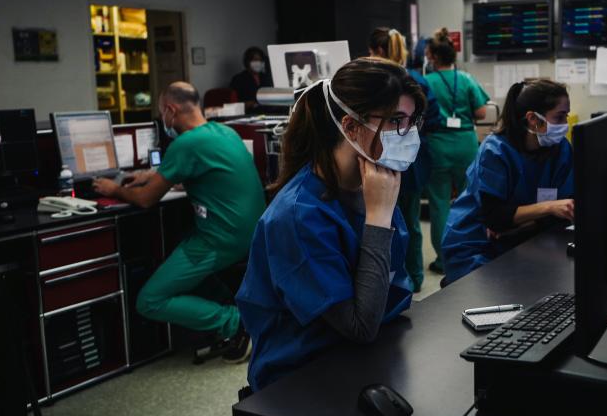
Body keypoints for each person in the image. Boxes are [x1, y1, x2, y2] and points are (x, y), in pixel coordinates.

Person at [235, 58, 426, 391]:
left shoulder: (375, 181)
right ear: (350, 127)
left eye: (411, 122)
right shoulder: (299, 215)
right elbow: (359, 326)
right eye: (395, 121)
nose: (407, 134)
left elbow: (392, 288)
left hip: (367, 355)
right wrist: (379, 218)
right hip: (304, 377)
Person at [93, 82, 266, 361]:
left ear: (171, 110)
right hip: (251, 233)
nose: (164, 120)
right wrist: (156, 175)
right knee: (178, 239)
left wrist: (115, 190)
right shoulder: (225, 132)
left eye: (163, 113)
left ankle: (235, 323)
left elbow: (146, 200)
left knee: (149, 300)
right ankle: (230, 316)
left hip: (220, 240)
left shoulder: (185, 143)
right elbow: (203, 171)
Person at [442, 80, 575, 284]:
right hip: (475, 245)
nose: (565, 124)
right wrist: (548, 207)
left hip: (519, 240)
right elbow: (494, 217)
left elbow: (565, 211)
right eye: (559, 117)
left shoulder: (560, 150)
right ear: (533, 119)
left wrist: (522, 223)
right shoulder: (496, 151)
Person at [367, 28, 441, 291]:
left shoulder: (379, 84)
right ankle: (415, 276)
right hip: (413, 159)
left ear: (378, 52)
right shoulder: (416, 79)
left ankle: (404, 279)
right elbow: (435, 117)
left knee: (392, 222)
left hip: (389, 160)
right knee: (410, 221)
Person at [423, 27, 490, 274]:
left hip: (437, 145)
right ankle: (467, 254)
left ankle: (443, 261)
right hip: (465, 145)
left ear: (433, 57)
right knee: (468, 201)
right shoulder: (466, 79)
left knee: (439, 204)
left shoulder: (425, 82)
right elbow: (482, 112)